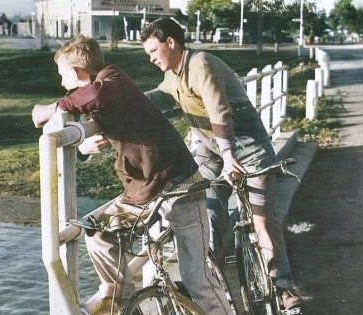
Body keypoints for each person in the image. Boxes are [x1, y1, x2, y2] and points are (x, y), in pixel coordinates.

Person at [32, 35, 231, 315]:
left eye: (62, 74)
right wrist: (81, 150)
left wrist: (52, 109)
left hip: (180, 186)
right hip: (145, 191)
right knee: (97, 232)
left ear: (76, 72)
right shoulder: (106, 96)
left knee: (197, 278)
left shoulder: (113, 79)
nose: (61, 81)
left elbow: (95, 95)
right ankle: (122, 299)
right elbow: (101, 126)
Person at [139, 17, 304, 310]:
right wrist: (116, 110)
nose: (151, 59)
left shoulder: (201, 63)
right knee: (209, 216)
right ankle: (216, 289)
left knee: (262, 218)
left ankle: (282, 287)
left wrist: (229, 156)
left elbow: (220, 110)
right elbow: (156, 100)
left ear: (171, 43)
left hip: (247, 148)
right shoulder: (173, 76)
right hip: (210, 149)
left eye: (153, 51)